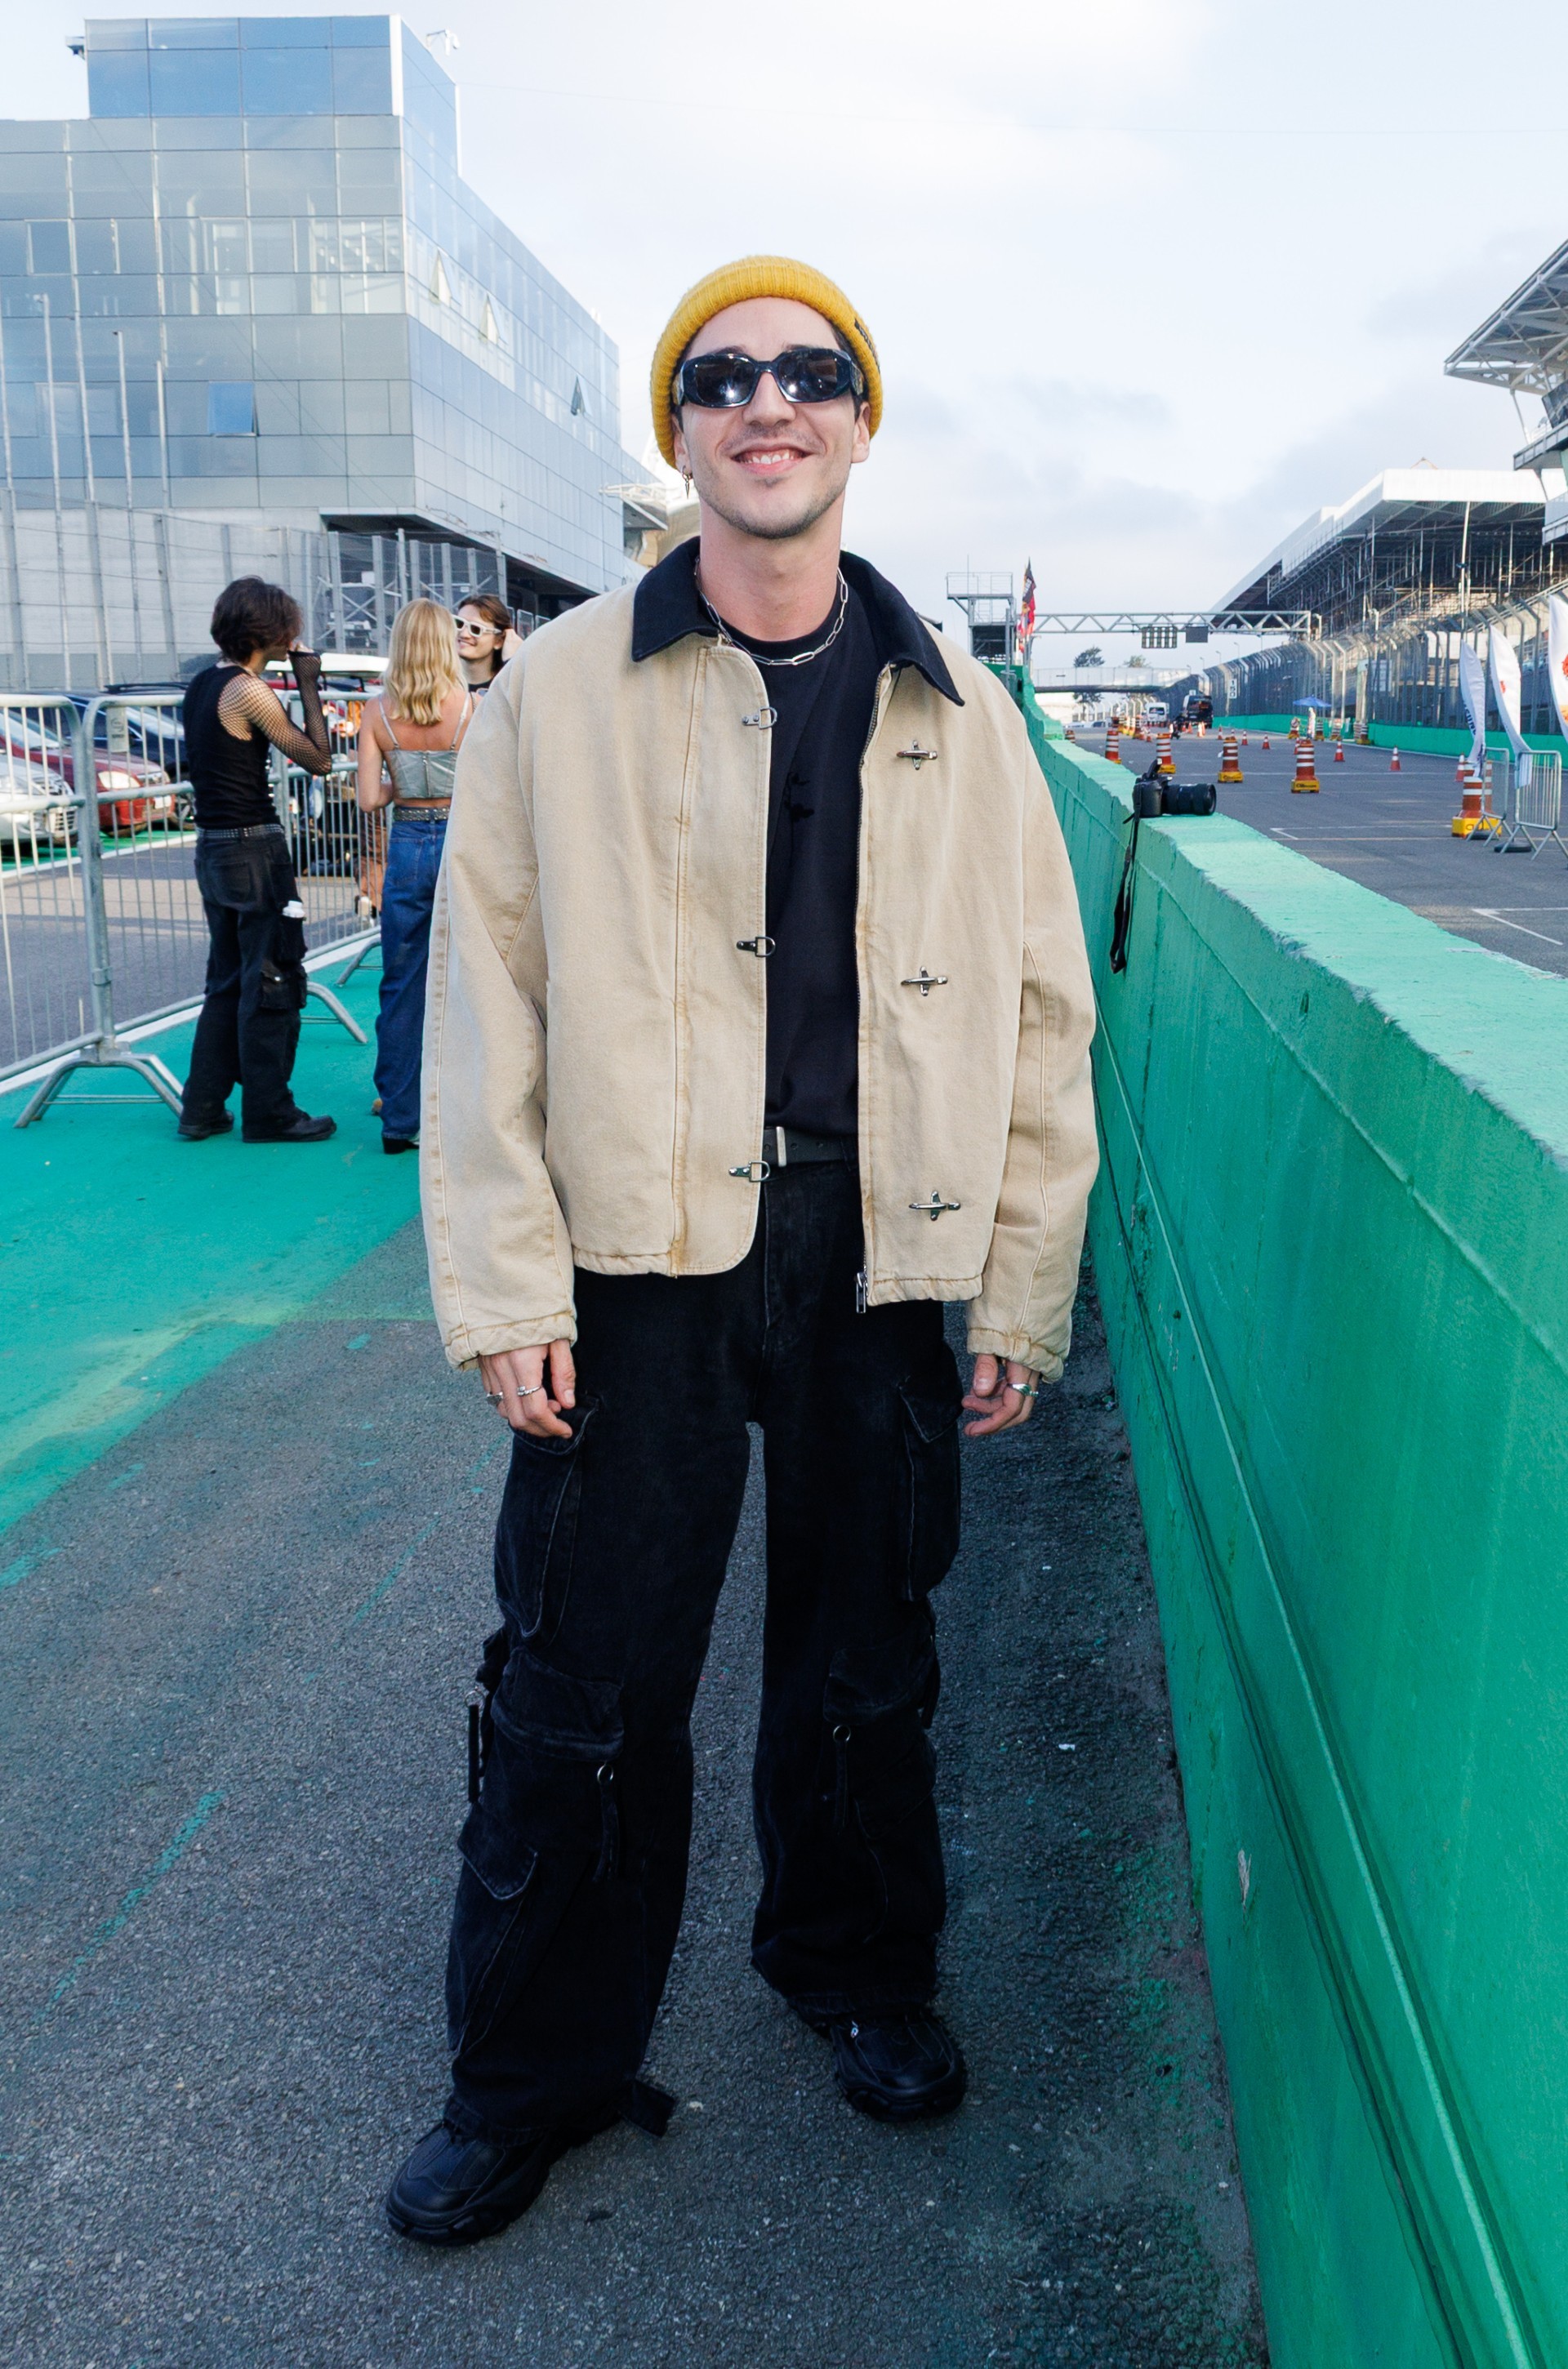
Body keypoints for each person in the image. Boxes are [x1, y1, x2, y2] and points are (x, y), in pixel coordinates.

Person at [386, 256, 1098, 2246]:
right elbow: (488, 1001)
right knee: (585, 1673)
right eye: (721, 377)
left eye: (807, 373)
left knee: (867, 1653)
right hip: (638, 1248)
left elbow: (1045, 1012)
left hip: (884, 1243)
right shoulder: (558, 688)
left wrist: (1019, 1281)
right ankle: (534, 2069)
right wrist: (509, 1282)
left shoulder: (958, 712)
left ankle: (853, 1969)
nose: (763, 403)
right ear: (679, 430)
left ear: (860, 421)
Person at [178, 578, 336, 1145]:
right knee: (271, 975)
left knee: (225, 981)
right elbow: (318, 757)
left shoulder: (201, 684)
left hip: (214, 848)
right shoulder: (249, 691)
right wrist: (307, 683)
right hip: (253, 848)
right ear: (269, 631)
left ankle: (202, 1105)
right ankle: (269, 1111)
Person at [355, 600, 474, 1154]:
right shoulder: (469, 707)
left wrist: (402, 786)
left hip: (405, 841)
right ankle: (460, 1110)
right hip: (457, 840)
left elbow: (366, 797)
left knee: (402, 981)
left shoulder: (376, 713)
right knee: (468, 980)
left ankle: (399, 1119)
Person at [454, 594, 522, 692]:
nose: (464, 634)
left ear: (499, 641)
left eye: (476, 629)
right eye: (459, 623)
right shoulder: (437, 683)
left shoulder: (506, 688)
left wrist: (512, 662)